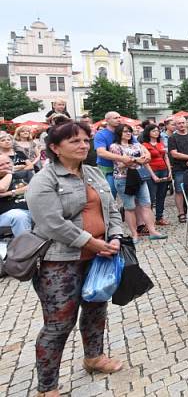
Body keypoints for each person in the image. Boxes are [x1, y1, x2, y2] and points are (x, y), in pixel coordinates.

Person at [25, 120, 125, 395]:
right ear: (56, 148)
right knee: (59, 324)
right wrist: (91, 242)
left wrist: (115, 236)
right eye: (75, 141)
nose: (83, 145)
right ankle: (47, 387)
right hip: (59, 261)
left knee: (96, 309)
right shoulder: (45, 180)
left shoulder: (93, 173)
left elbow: (112, 210)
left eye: (85, 140)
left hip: (98, 257)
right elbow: (51, 223)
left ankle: (93, 357)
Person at [109, 124, 166, 242]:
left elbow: (147, 157)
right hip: (123, 178)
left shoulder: (136, 144)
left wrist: (131, 160)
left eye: (129, 131)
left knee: (146, 204)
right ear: (119, 133)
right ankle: (134, 234)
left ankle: (152, 231)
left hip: (139, 177)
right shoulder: (115, 146)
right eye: (125, 131)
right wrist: (136, 160)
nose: (128, 133)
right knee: (130, 207)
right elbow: (120, 164)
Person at [141, 123, 172, 226]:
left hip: (163, 169)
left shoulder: (160, 143)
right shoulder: (144, 145)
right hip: (152, 171)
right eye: (153, 131)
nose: (156, 132)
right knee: (150, 196)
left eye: (157, 131)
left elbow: (166, 157)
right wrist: (152, 175)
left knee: (161, 195)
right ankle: (148, 221)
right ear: (148, 133)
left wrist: (169, 170)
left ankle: (159, 217)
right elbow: (145, 162)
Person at [168, 116, 188, 223]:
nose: (181, 125)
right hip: (179, 168)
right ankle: (181, 213)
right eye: (178, 123)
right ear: (176, 125)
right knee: (179, 191)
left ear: (186, 123)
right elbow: (174, 154)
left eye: (183, 123)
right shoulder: (173, 138)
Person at [0, 153, 32, 237]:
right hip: (6, 215)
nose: (6, 166)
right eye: (1, 165)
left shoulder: (26, 173)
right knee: (19, 216)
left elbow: (34, 187)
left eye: (8, 163)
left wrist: (10, 193)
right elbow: (2, 188)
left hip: (31, 209)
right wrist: (9, 173)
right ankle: (26, 248)